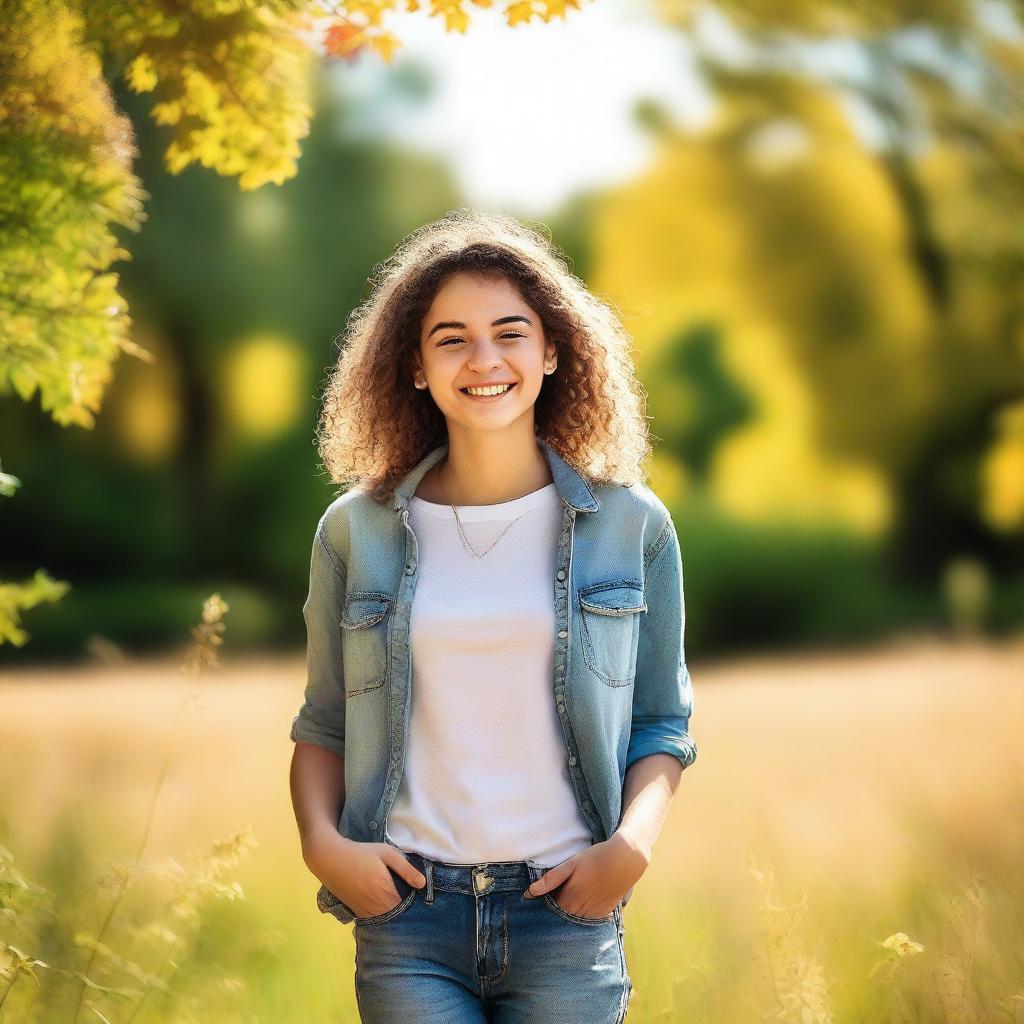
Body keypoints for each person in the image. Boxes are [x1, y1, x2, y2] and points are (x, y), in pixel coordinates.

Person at [288, 208, 698, 1023]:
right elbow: (324, 724)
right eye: (451, 338)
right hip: (408, 917)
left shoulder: (631, 524)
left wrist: (631, 849)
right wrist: (324, 848)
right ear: (414, 366)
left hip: (566, 913)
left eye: (510, 332)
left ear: (552, 351)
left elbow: (661, 721)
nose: (484, 360)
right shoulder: (353, 533)